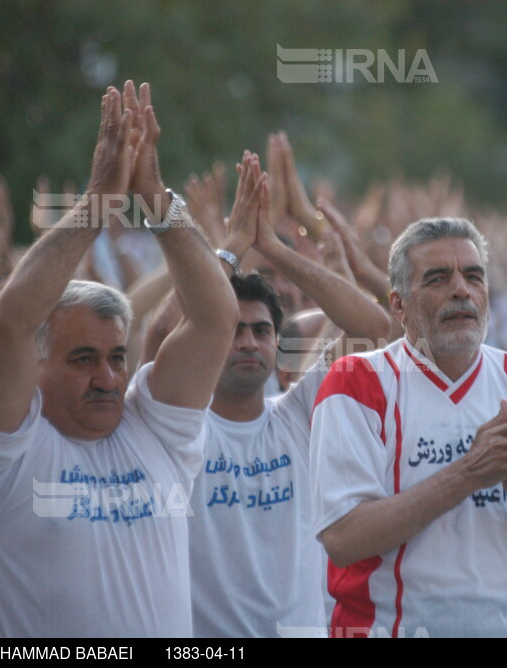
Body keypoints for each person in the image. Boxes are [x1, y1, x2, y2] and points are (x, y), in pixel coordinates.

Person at [0, 81, 237, 637]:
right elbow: (9, 325)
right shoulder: (4, 446)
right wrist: (98, 200)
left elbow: (213, 319)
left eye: (115, 357)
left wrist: (155, 196)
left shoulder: (158, 430)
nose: (108, 377)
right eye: (82, 359)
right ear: (35, 369)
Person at [144, 153, 393, 637]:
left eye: (262, 331)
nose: (248, 343)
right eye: (233, 330)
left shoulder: (299, 414)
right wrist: (233, 245)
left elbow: (374, 326)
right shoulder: (176, 424)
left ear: (279, 346)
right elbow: (159, 330)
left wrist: (274, 249)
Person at [310, 217, 507, 638]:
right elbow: (343, 538)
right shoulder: (356, 382)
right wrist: (471, 472)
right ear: (399, 305)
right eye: (438, 279)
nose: (461, 290)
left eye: (473, 277)